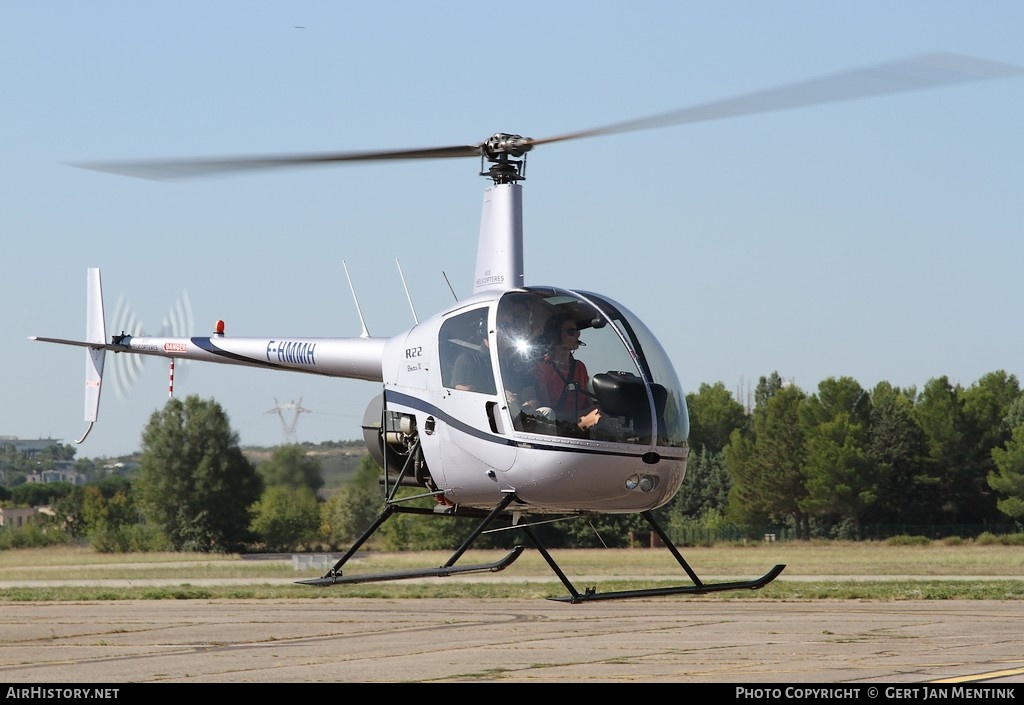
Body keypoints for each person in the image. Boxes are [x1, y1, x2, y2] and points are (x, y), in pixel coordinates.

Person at [533, 312, 601, 435]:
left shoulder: (580, 367)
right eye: (571, 331)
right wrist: (579, 415)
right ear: (555, 336)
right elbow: (547, 412)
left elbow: (589, 404)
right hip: (554, 428)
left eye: (577, 331)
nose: (577, 335)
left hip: (579, 425)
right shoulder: (542, 367)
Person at [450, 316, 497, 394]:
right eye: (504, 326)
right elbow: (465, 393)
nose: (509, 331)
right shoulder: (468, 360)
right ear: (485, 332)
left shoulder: (510, 360)